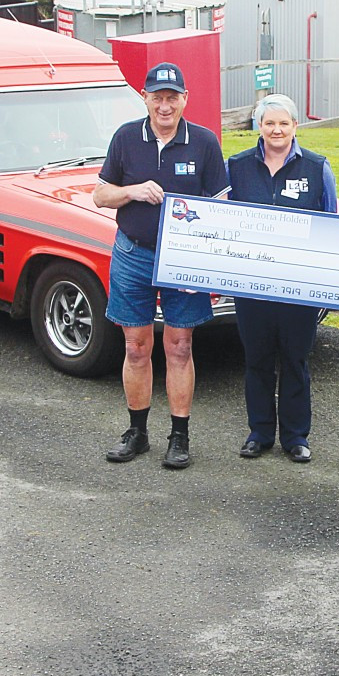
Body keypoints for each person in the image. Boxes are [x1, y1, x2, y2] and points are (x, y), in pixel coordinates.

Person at [94, 62, 229, 469]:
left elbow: (220, 205)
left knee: (180, 345)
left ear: (185, 99)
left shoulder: (204, 142)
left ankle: (180, 435)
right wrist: (132, 191)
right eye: (157, 97)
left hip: (182, 260)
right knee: (135, 346)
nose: (165, 105)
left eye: (172, 97)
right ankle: (137, 432)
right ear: (145, 98)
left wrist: (200, 263)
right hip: (133, 253)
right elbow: (101, 195)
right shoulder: (125, 138)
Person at [226, 94, 338, 464]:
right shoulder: (237, 167)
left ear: (295, 127)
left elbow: (331, 226)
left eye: (284, 123)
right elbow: (221, 220)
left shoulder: (318, 168)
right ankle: (259, 433)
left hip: (299, 286)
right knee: (256, 359)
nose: (276, 130)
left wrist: (325, 281)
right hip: (251, 284)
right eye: (269, 123)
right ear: (258, 126)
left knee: (295, 360)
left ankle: (295, 437)